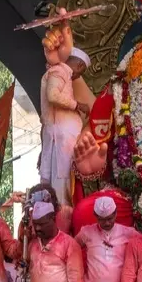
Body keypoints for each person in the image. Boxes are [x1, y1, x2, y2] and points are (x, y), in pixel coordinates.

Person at [40, 43, 90, 205]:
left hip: (59, 138)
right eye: (81, 72)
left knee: (57, 186)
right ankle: (62, 220)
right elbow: (53, 96)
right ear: (80, 65)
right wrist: (78, 105)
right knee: (62, 188)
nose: (77, 76)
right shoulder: (60, 71)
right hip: (61, 140)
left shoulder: (60, 72)